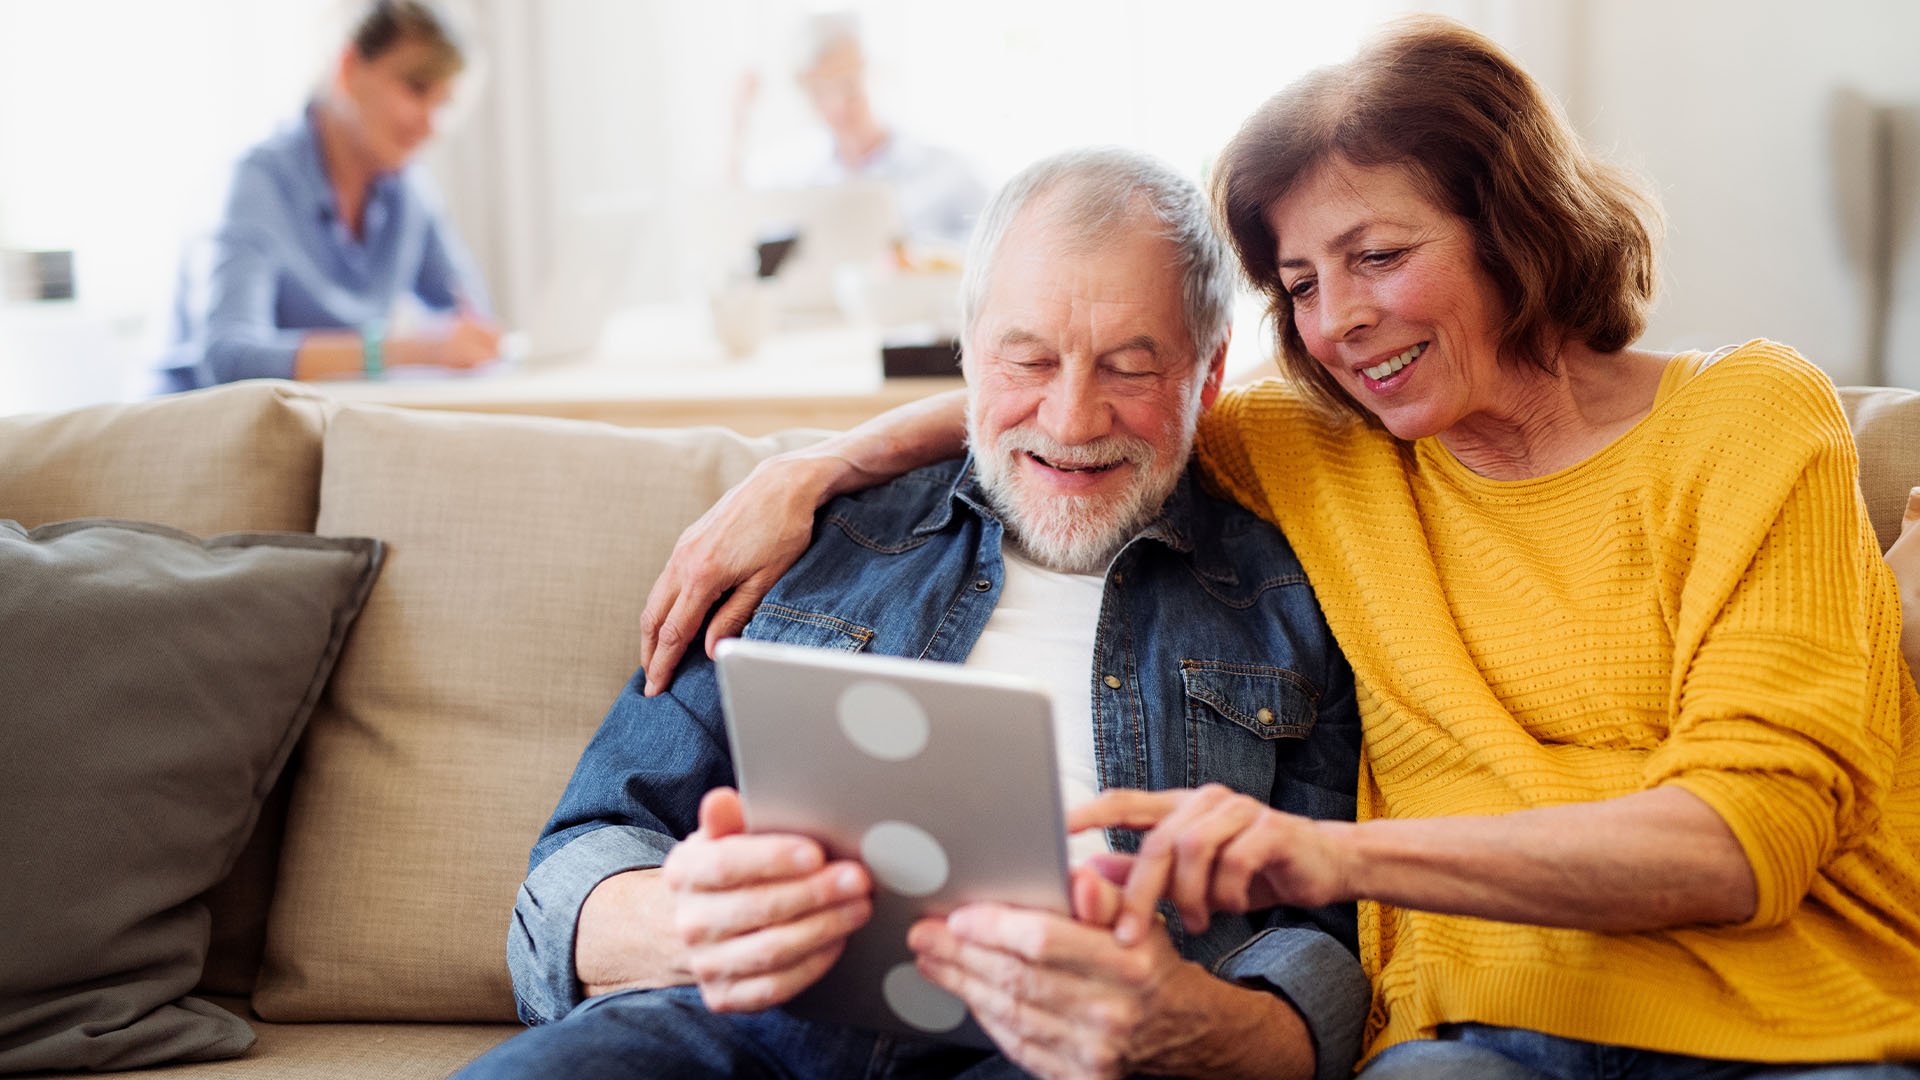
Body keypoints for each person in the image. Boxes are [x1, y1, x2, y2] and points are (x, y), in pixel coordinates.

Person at [635, 16, 1920, 1080]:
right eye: (1301, 282)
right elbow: (1099, 400)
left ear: (1513, 225)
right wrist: (814, 467)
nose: (1340, 322)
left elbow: (1742, 841)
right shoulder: (1334, 442)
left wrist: (1330, 855)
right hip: (1482, 1045)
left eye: (1378, 256)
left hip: (1807, 1025)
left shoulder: (1747, 417)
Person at [456, 148, 1366, 1080]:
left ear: (1208, 375)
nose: (1072, 415)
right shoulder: (817, 543)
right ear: (969, 351)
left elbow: (1330, 932)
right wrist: (686, 925)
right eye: (1028, 359)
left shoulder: (1290, 595)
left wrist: (1205, 1019)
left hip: (1069, 1056)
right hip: (745, 1026)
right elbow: (578, 860)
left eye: (1130, 368)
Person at [158, 0, 500, 392]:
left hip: (315, 432)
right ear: (349, 67)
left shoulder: (409, 192)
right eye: (416, 89)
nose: (431, 124)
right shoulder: (256, 182)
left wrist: (468, 342)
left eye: (444, 103)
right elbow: (229, 358)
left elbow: (472, 320)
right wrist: (410, 350)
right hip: (200, 437)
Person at [734, 12, 987, 252]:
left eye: (848, 86)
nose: (837, 105)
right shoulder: (793, 178)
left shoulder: (945, 170)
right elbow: (740, 220)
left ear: (870, 74)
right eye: (819, 93)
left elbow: (990, 252)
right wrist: (739, 123)